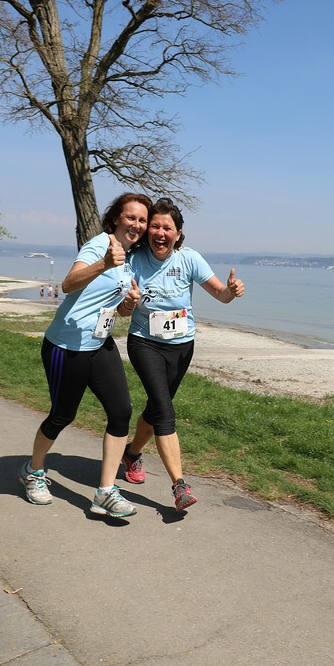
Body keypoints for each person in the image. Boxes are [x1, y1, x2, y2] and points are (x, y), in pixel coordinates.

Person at [17, 193, 150, 518]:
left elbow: (110, 306)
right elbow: (68, 284)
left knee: (121, 411)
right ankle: (32, 471)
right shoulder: (99, 246)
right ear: (117, 218)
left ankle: (105, 492)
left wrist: (127, 306)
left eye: (142, 220)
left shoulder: (129, 257)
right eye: (131, 217)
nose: (136, 225)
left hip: (100, 344)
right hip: (67, 347)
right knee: (62, 415)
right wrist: (104, 261)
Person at [120, 198, 245, 511]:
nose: (160, 233)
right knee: (164, 410)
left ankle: (132, 453)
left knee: (157, 406)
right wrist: (129, 302)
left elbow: (220, 294)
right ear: (148, 230)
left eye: (168, 228)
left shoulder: (189, 259)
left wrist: (232, 290)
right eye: (156, 226)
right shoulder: (134, 259)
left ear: (178, 234)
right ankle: (179, 485)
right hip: (144, 342)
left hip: (182, 345)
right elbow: (122, 307)